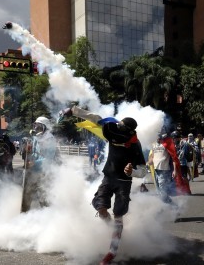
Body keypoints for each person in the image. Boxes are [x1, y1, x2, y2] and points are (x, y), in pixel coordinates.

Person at [60, 106, 146, 264]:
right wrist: (74, 111)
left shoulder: (135, 145)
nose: (116, 131)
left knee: (118, 214)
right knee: (100, 206)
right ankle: (111, 228)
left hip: (124, 182)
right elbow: (96, 118)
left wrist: (132, 171)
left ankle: (112, 251)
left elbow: (143, 170)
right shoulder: (112, 129)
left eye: (121, 128)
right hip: (108, 177)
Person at [21, 116, 60, 212]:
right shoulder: (36, 138)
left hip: (44, 172)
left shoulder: (49, 139)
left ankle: (48, 217)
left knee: (44, 197)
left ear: (45, 127)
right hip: (33, 170)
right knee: (27, 194)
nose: (36, 128)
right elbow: (34, 153)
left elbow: (48, 159)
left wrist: (34, 163)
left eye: (38, 126)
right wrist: (28, 151)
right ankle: (23, 216)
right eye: (35, 126)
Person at [147, 132, 179, 204]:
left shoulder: (167, 143)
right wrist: (149, 162)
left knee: (162, 192)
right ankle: (167, 207)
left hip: (165, 170)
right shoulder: (154, 144)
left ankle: (173, 206)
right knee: (160, 192)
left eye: (158, 136)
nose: (157, 138)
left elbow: (173, 157)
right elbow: (152, 155)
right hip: (156, 170)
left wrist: (175, 170)